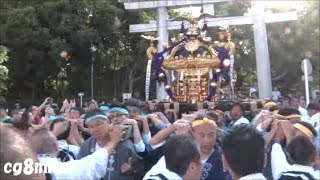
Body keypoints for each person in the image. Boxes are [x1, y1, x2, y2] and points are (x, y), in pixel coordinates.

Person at [31, 126, 122, 179]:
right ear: (56, 147)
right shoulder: (65, 170)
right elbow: (94, 163)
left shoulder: (19, 168)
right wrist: (112, 142)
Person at [77, 109, 140, 180]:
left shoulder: (125, 144)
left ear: (108, 122)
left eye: (98, 124)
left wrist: (132, 169)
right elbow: (79, 171)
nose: (95, 129)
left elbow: (140, 168)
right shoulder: (86, 146)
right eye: (91, 127)